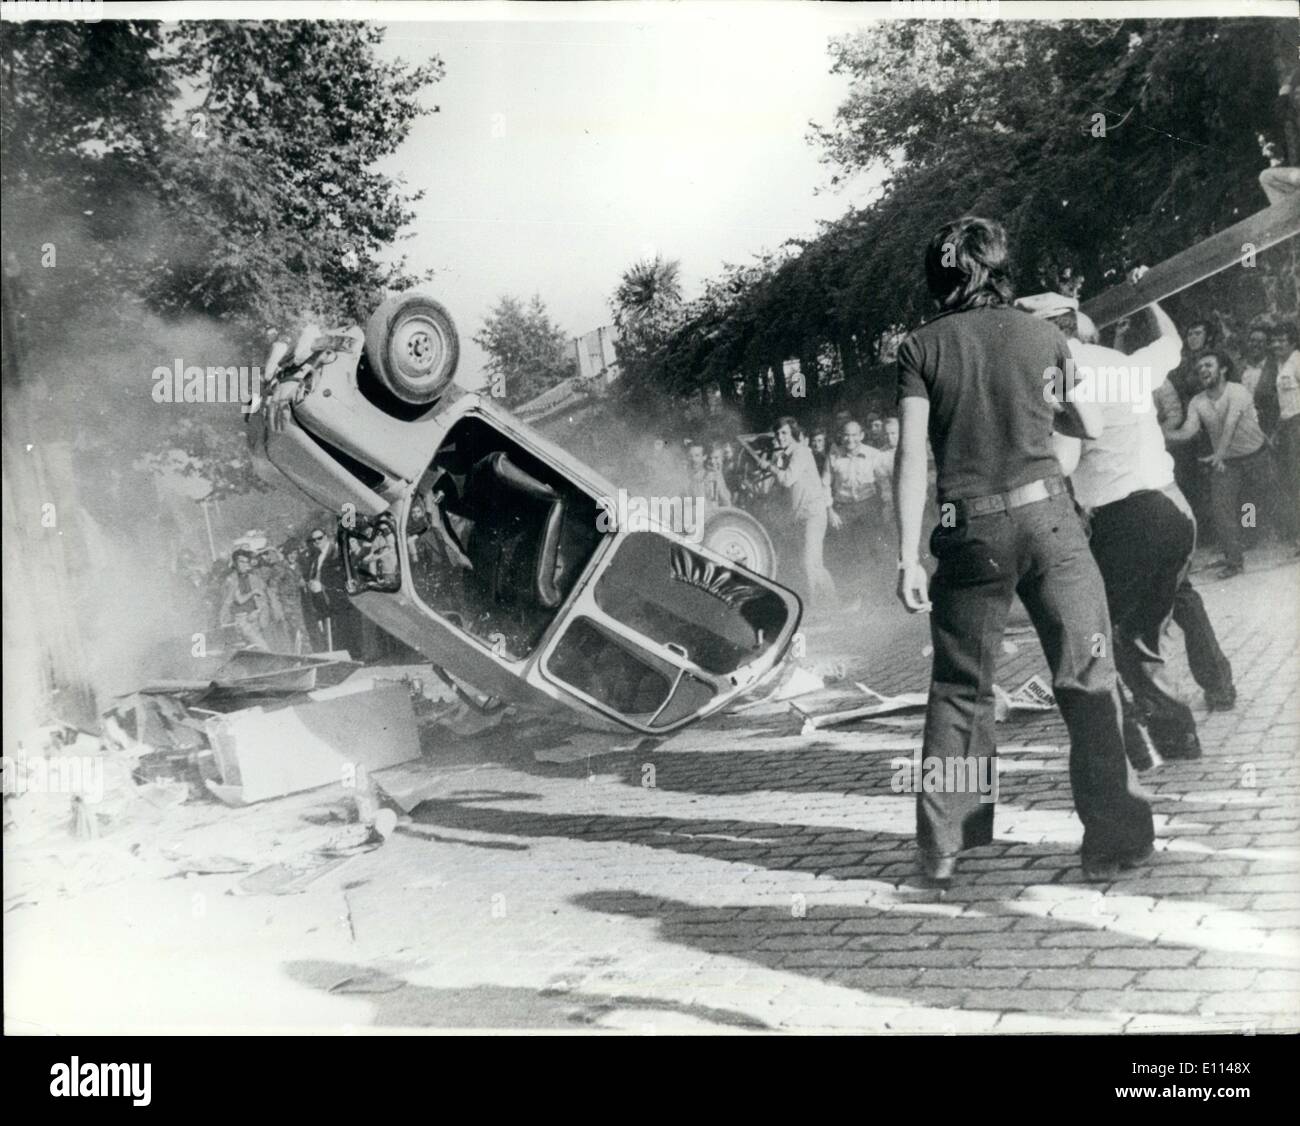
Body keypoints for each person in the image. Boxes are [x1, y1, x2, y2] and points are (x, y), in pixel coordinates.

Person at [894, 215, 1153, 883]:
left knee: (960, 690)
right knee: (1087, 675)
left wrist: (904, 556)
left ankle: (945, 845)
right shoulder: (1043, 335)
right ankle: (1116, 838)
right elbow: (1087, 425)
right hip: (1049, 523)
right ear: (1001, 269)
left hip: (970, 534)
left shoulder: (921, 348)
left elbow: (908, 457)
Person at [1018, 283, 1202, 768]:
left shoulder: (1058, 381)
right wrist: (1150, 298)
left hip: (1125, 521)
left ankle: (1137, 747)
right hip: (1174, 511)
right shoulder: (1121, 365)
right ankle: (1174, 740)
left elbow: (1065, 456)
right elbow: (1173, 345)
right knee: (1138, 633)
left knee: (1103, 635)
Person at [1164, 350, 1276, 578]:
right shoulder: (1197, 401)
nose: (1203, 370)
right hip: (1228, 462)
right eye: (1199, 368)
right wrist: (1159, 432)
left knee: (1255, 501)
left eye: (1208, 365)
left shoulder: (1238, 391)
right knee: (1222, 509)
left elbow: (1231, 425)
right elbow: (1188, 431)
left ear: (1223, 369)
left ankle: (1253, 535)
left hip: (1256, 455)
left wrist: (1219, 455)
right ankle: (1234, 560)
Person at [758, 416, 836, 613]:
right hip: (799, 516)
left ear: (793, 434)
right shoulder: (784, 455)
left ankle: (816, 608)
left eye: (784, 433)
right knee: (814, 563)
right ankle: (833, 603)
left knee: (810, 563)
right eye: (777, 433)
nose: (780, 436)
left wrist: (769, 466)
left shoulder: (801, 452)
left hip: (814, 514)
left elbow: (787, 479)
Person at [825, 419, 893, 589]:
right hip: (843, 510)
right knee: (847, 554)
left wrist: (886, 507)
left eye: (854, 435)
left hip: (868, 507)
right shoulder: (833, 456)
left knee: (872, 550)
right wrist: (830, 511)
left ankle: (876, 593)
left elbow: (884, 483)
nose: (850, 440)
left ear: (862, 435)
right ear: (841, 436)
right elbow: (824, 484)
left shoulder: (873, 454)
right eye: (846, 435)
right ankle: (853, 593)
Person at [1269, 321, 1300, 550]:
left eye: (1282, 340)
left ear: (1293, 341)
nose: (1276, 344)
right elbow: (1285, 404)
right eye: (1274, 340)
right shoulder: (1281, 364)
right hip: (1289, 425)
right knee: (1293, 478)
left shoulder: (1297, 361)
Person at [219, 548, 280, 650]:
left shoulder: (254, 578)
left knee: (260, 647)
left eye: (246, 562)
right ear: (235, 563)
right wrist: (253, 592)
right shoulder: (231, 580)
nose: (244, 565)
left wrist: (260, 612)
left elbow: (266, 597)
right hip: (241, 619)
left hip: (256, 617)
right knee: (263, 647)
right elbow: (239, 600)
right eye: (241, 562)